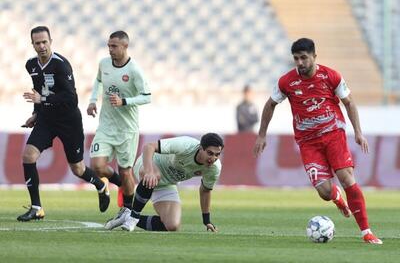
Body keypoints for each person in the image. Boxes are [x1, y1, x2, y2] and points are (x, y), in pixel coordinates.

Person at [253, 38, 382, 244]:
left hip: (333, 134)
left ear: (314, 56)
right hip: (308, 142)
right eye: (296, 59)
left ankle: (366, 232)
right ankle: (338, 199)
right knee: (324, 192)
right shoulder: (286, 82)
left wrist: (358, 132)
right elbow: (270, 105)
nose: (300, 63)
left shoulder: (331, 76)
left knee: (346, 177)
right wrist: (261, 135)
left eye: (304, 58)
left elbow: (349, 103)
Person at [19, 26, 110, 221]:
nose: (42, 46)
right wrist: (36, 113)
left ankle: (101, 185)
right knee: (28, 156)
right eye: (37, 43)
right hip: (46, 120)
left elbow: (71, 99)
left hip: (69, 121)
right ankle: (37, 208)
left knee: (77, 169)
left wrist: (41, 100)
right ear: (32, 44)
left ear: (51, 41)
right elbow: (39, 89)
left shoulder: (61, 65)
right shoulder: (31, 65)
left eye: (45, 42)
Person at [103, 133, 224, 232]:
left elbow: (205, 191)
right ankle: (133, 216)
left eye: (217, 155)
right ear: (200, 148)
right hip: (149, 165)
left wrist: (206, 220)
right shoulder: (186, 145)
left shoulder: (214, 168)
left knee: (172, 226)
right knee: (155, 176)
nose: (213, 158)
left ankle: (126, 216)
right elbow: (148, 147)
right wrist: (149, 171)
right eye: (210, 153)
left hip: (167, 184)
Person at [87, 31, 151, 216]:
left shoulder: (134, 71)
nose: (110, 50)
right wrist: (92, 101)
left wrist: (125, 101)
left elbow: (147, 97)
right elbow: (98, 80)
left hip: (126, 130)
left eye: (114, 46)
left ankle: (128, 210)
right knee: (96, 166)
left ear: (125, 46)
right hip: (106, 126)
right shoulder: (104, 64)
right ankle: (110, 185)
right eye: (108, 45)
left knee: (126, 172)